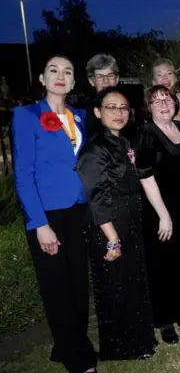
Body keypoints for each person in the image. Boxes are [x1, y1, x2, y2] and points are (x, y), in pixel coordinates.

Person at [12, 55, 97, 373]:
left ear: (74, 82)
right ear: (42, 79)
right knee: (57, 289)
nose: (60, 76)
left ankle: (66, 345)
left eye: (67, 71)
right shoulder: (27, 115)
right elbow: (24, 175)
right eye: (53, 70)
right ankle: (80, 360)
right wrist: (40, 225)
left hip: (77, 212)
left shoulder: (81, 116)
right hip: (47, 216)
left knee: (77, 285)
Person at [77, 88, 155, 360]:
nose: (118, 113)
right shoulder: (94, 150)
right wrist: (112, 238)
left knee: (132, 282)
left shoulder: (123, 142)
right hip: (108, 226)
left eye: (123, 108)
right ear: (98, 113)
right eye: (111, 107)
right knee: (114, 286)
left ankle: (138, 340)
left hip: (129, 220)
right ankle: (120, 346)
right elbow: (96, 197)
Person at [136, 85, 180, 344]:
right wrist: (164, 215)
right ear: (149, 107)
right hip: (161, 208)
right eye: (156, 101)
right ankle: (166, 320)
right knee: (164, 264)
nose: (163, 104)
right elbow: (145, 176)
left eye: (167, 99)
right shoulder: (146, 133)